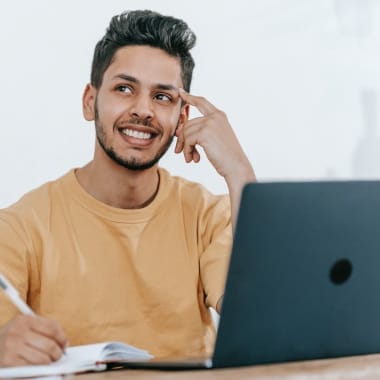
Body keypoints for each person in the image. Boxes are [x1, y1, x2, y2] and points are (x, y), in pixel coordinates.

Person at [0, 9, 255, 367]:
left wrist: (239, 170)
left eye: (163, 97)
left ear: (182, 118)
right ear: (90, 102)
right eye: (124, 89)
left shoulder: (208, 217)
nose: (143, 110)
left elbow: (266, 321)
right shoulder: (20, 227)